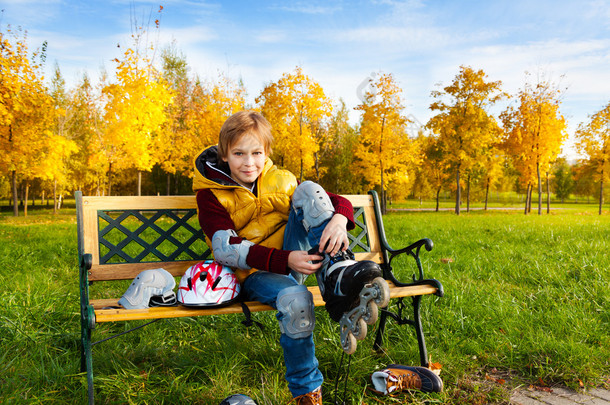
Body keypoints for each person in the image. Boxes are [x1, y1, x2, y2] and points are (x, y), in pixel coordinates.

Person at [194, 111, 428, 404]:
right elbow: (226, 249)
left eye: (256, 152)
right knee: (297, 300)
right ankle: (307, 394)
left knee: (307, 190)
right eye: (239, 153)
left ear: (267, 152)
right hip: (253, 274)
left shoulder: (279, 179)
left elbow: (336, 201)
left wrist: (340, 220)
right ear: (224, 155)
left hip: (296, 258)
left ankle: (337, 276)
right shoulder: (210, 193)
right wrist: (287, 260)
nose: (249, 162)